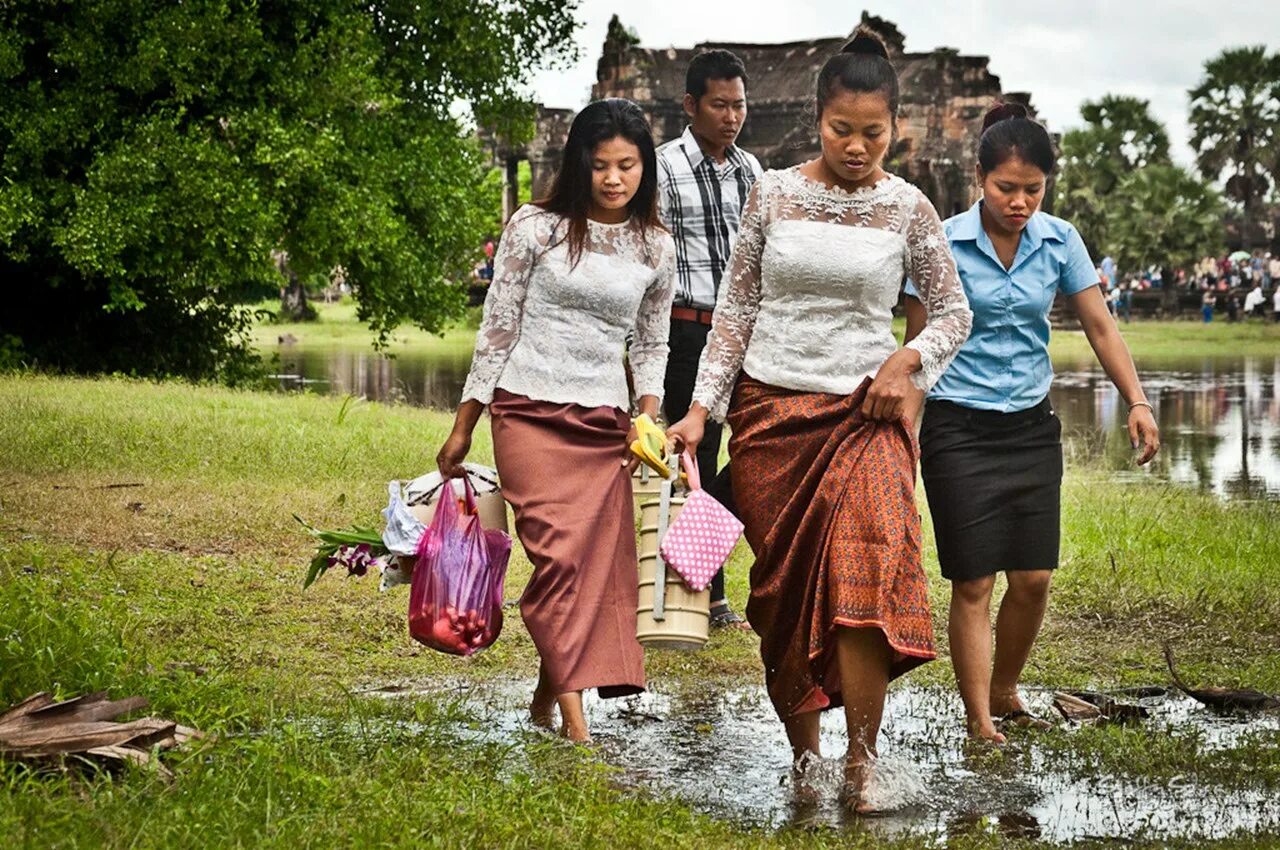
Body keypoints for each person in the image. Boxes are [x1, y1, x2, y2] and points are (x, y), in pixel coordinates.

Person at [666, 30, 972, 812]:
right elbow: (735, 311)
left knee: (864, 579)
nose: (858, 146)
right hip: (771, 412)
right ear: (816, 118)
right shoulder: (772, 192)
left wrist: (906, 365)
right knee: (783, 597)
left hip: (865, 418)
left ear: (896, 126)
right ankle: (807, 760)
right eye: (843, 130)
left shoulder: (909, 206)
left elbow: (952, 313)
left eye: (874, 132)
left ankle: (862, 761)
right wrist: (702, 411)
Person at [903, 102, 1159, 744]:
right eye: (1005, 188)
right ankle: (979, 718)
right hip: (957, 428)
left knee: (1034, 577)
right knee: (974, 580)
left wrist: (1136, 400)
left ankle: (1005, 685)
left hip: (1029, 426)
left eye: (1032, 190)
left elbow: (1099, 323)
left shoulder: (1060, 239)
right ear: (979, 180)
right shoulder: (944, 240)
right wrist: (906, 430)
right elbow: (918, 341)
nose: (1019, 203)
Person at [437, 99, 675, 743]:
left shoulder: (655, 245)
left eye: (627, 165)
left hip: (603, 421)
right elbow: (497, 327)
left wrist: (647, 419)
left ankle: (549, 698)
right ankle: (577, 729)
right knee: (558, 561)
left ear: (644, 169)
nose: (614, 178)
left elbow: (652, 344)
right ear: (578, 165)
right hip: (526, 409)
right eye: (600, 165)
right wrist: (465, 423)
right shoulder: (535, 227)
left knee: (592, 569)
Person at [656, 48, 763, 630]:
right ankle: (707, 593)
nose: (731, 116)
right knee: (695, 452)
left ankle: (691, 561)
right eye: (719, 105)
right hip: (684, 330)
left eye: (739, 104)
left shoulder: (754, 172)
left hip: (746, 333)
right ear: (692, 106)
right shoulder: (663, 168)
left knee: (753, 452)